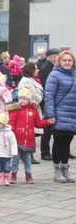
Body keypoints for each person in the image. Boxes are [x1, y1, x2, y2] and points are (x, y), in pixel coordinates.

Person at [8, 86, 54, 184]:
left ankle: (28, 175)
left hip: (29, 141)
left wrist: (47, 122)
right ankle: (13, 174)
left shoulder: (33, 111)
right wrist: (12, 135)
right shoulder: (16, 110)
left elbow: (38, 124)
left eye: (24, 98)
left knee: (28, 160)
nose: (22, 100)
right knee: (15, 159)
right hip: (17, 140)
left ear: (29, 100)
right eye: (20, 98)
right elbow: (11, 123)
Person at [44, 50, 76, 183]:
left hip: (72, 114)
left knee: (67, 142)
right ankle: (57, 170)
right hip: (58, 113)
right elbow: (49, 96)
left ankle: (65, 168)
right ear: (60, 61)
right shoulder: (54, 75)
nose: (67, 63)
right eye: (65, 60)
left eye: (70, 60)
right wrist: (50, 114)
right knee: (58, 142)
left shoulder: (74, 75)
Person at [18, 61, 44, 165]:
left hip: (34, 108)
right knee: (29, 133)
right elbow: (31, 95)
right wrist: (40, 98)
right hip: (29, 109)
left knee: (32, 133)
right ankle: (28, 155)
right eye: (36, 68)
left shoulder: (32, 80)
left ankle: (28, 155)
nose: (37, 70)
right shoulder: (27, 81)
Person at [38, 48, 60, 160]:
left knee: (61, 128)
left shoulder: (60, 68)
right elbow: (43, 87)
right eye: (56, 55)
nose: (57, 57)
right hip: (49, 101)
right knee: (47, 128)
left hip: (60, 102)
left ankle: (62, 150)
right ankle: (45, 151)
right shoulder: (44, 69)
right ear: (50, 57)